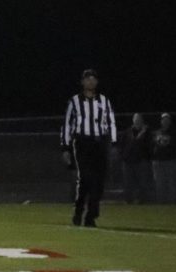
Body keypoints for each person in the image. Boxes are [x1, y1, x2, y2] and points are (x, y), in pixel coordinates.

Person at [60, 69, 117, 227]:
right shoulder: (74, 101)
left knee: (98, 181)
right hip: (83, 143)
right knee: (85, 178)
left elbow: (111, 122)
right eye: (87, 79)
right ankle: (79, 210)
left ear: (97, 82)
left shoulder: (104, 101)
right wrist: (65, 147)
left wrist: (112, 144)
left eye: (93, 79)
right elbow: (66, 125)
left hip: (100, 143)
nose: (91, 82)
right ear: (83, 82)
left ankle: (91, 214)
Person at [149, 112, 176, 205]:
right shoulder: (156, 133)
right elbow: (152, 146)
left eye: (167, 119)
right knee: (159, 183)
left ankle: (173, 202)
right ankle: (161, 202)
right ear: (161, 121)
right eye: (163, 119)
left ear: (170, 121)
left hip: (171, 161)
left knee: (172, 182)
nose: (165, 121)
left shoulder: (175, 133)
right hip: (158, 161)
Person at [121, 113, 154, 204]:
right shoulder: (128, 132)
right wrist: (124, 156)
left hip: (141, 161)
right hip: (128, 161)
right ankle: (128, 200)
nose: (137, 121)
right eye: (136, 119)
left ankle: (142, 200)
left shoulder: (147, 132)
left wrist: (146, 157)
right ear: (133, 120)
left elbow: (150, 146)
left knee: (142, 182)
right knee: (128, 182)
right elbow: (122, 145)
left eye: (139, 119)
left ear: (142, 120)